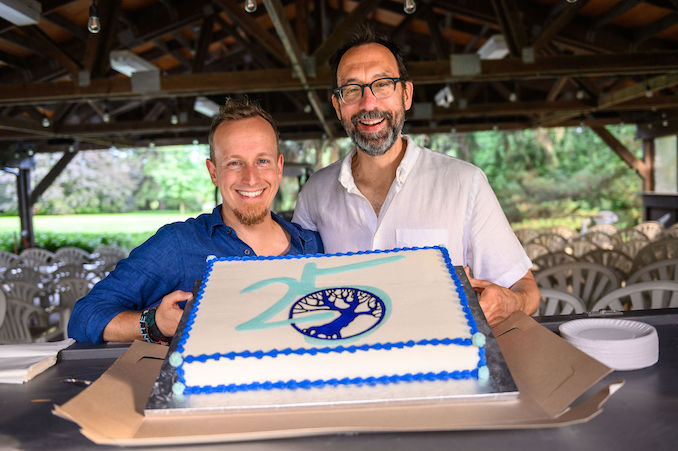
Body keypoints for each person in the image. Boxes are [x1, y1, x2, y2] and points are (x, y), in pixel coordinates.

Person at [292, 28, 539, 326]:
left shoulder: (464, 182)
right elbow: (298, 286)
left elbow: (527, 290)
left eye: (382, 84)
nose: (368, 104)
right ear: (338, 106)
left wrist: (510, 301)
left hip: (443, 366)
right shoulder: (315, 193)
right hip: (349, 365)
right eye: (352, 90)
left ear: (406, 94)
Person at [69, 99, 323, 344]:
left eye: (262, 161)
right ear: (213, 172)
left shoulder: (314, 247)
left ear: (279, 167)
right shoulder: (177, 245)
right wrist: (152, 324)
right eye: (235, 163)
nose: (251, 177)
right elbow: (84, 316)